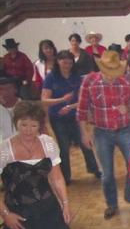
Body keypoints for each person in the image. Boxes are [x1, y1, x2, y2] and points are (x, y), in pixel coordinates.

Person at [0, 101, 75, 229]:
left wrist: (65, 204)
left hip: (48, 208)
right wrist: (5, 214)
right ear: (16, 123)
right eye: (23, 125)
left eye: (33, 125)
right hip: (20, 212)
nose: (28, 130)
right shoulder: (4, 149)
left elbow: (56, 177)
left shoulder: (48, 143)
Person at [77, 50, 130, 219]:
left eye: (115, 73)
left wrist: (128, 108)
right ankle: (111, 204)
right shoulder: (89, 81)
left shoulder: (126, 81)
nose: (112, 77)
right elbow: (81, 109)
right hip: (102, 132)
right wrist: (84, 133)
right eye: (109, 73)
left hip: (125, 129)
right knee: (107, 173)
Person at [41, 50, 101, 184]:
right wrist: (62, 100)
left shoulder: (76, 77)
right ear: (58, 62)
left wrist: (70, 106)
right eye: (64, 62)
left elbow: (83, 99)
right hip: (57, 117)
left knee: (84, 142)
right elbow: (44, 100)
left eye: (69, 63)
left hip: (75, 115)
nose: (67, 65)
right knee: (63, 146)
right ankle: (66, 176)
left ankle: (94, 169)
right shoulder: (51, 77)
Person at [0, 76, 19, 141]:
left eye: (9, 88)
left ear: (15, 89)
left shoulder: (27, 107)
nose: (5, 92)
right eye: (1, 89)